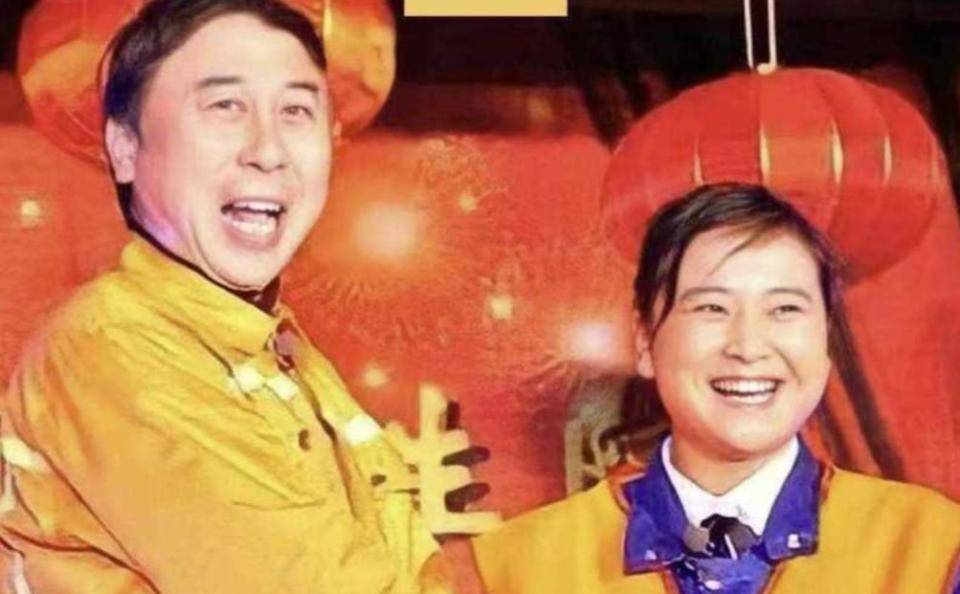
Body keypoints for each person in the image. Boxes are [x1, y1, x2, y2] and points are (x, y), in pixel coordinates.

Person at [0, 1, 456, 592]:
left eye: (296, 111)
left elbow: (413, 566)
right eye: (224, 106)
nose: (267, 151)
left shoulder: (282, 351)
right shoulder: (116, 344)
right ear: (125, 147)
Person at [472, 183, 960, 594]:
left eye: (785, 309)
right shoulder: (513, 570)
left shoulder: (932, 552)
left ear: (825, 339)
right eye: (711, 308)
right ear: (644, 340)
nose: (748, 346)